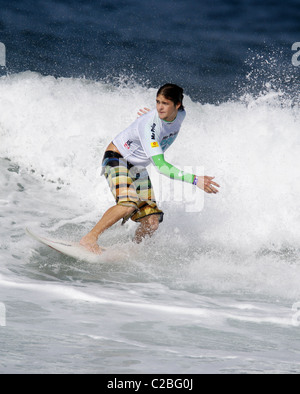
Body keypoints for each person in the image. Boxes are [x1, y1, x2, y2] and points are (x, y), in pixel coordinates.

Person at [80, 84, 220, 254]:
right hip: (117, 158)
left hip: (137, 166)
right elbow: (161, 167)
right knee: (128, 203)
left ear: (177, 105)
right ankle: (89, 238)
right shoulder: (150, 128)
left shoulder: (181, 115)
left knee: (152, 221)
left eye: (165, 103)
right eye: (157, 102)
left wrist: (148, 115)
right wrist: (195, 179)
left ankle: (131, 250)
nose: (160, 107)